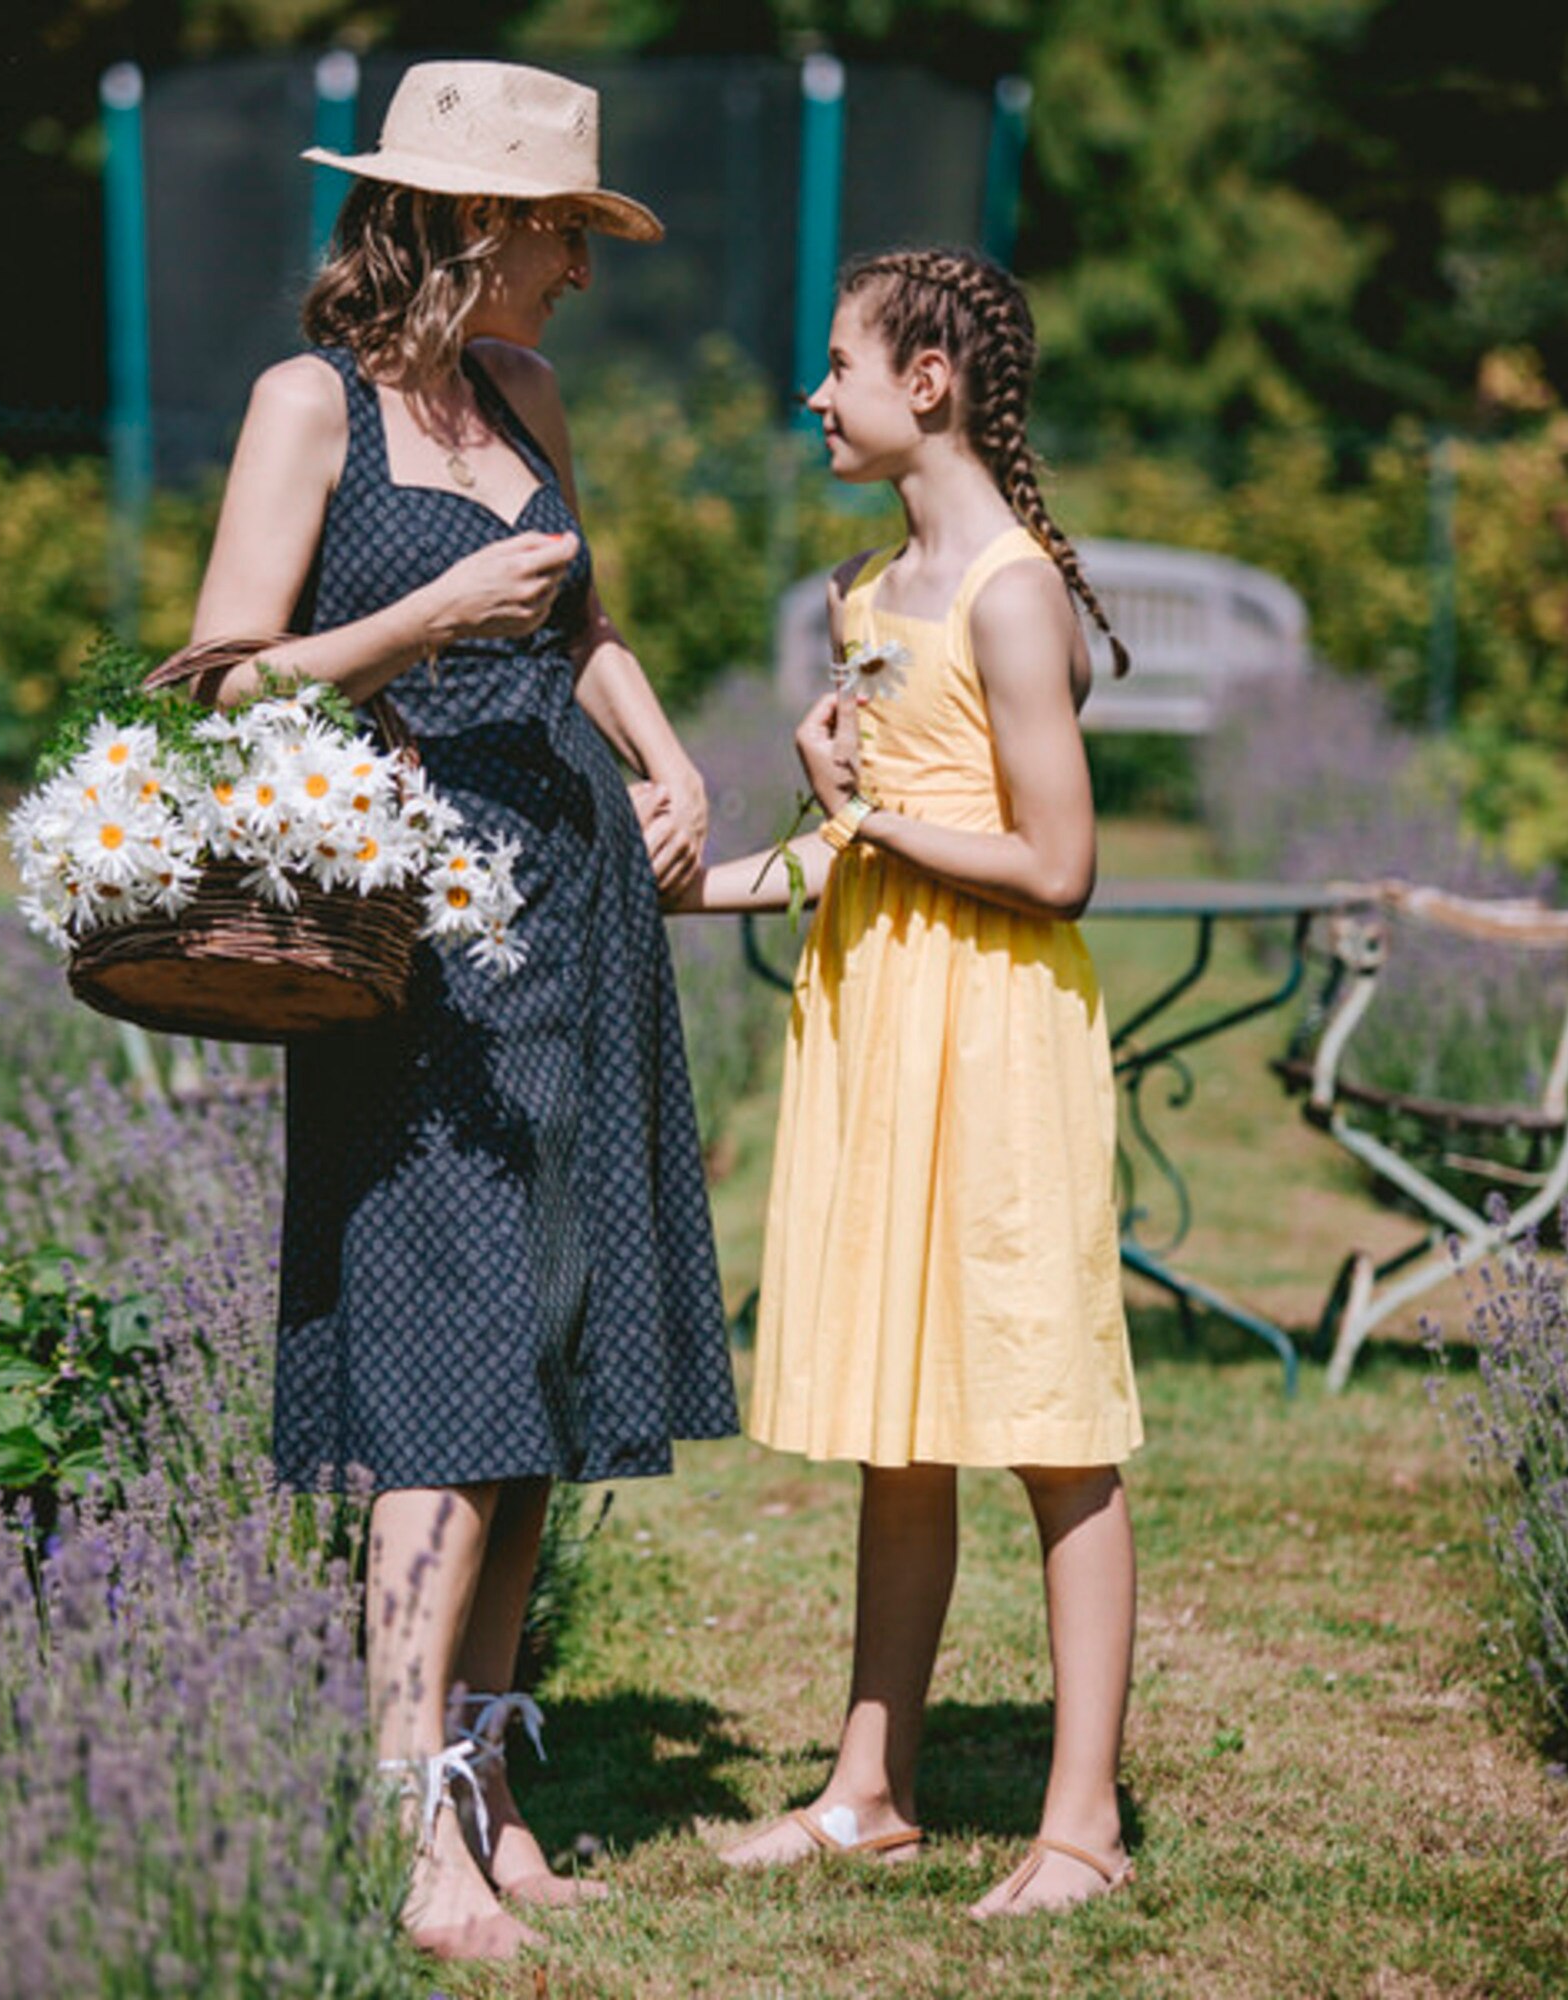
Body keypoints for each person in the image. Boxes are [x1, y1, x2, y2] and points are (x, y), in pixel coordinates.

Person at [185, 60, 739, 1962]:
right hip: (414, 932)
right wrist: (416, 627)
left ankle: (491, 1785)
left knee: (545, 1338)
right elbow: (224, 682)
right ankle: (405, 1829)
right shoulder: (308, 405)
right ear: (477, 225)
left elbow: (585, 628)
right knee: (442, 1353)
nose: (582, 274)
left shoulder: (524, 396)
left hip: (575, 905)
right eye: (564, 236)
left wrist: (670, 761)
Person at [675, 245, 1143, 1917]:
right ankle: (868, 1794)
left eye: (839, 364)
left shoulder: (1013, 596)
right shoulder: (860, 597)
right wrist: (686, 886)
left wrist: (862, 815)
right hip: (881, 1023)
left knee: (1054, 1429)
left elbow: (1058, 864)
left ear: (927, 382)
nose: (813, 394)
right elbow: (845, 853)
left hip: (999, 1032)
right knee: (901, 1421)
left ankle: (1082, 1827)